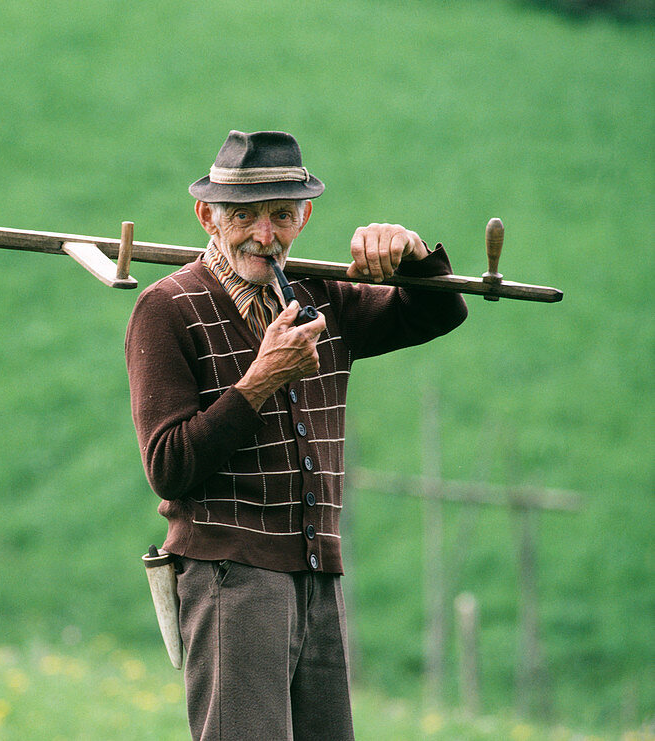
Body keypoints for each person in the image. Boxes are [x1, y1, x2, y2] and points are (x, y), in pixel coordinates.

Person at [124, 130, 468, 739]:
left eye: (282, 216)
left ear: (305, 217)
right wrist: (259, 381)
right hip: (229, 578)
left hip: (317, 577)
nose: (265, 235)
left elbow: (438, 311)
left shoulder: (321, 297)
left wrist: (412, 255)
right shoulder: (169, 307)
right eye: (244, 216)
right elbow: (169, 465)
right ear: (207, 216)